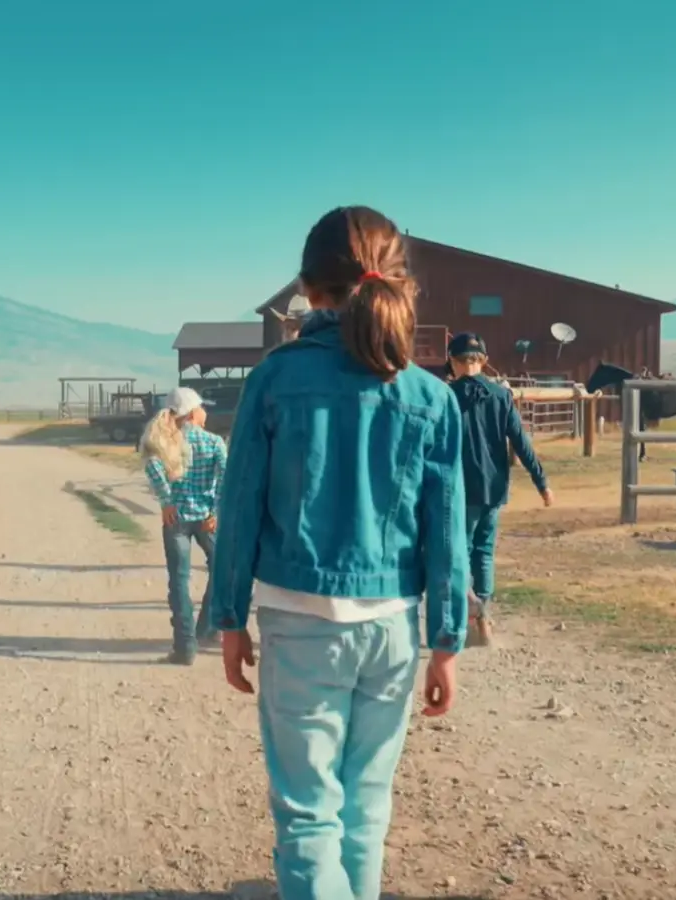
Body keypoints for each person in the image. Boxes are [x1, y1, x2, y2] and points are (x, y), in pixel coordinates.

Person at [209, 205, 469, 900]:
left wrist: (229, 617)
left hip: (299, 622)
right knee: (366, 812)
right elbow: (447, 530)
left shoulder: (275, 378)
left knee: (306, 816)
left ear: (306, 287)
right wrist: (447, 640)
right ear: (397, 285)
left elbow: (238, 511)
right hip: (391, 628)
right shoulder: (430, 396)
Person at [445, 332, 553, 647]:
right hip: (494, 487)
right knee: (485, 553)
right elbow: (521, 442)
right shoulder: (501, 396)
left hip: (460, 488)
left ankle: (466, 616)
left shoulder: (448, 396)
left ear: (453, 361)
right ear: (484, 361)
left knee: (460, 554)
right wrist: (542, 482)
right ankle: (485, 616)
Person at [140, 385, 227, 664]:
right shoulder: (214, 442)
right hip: (206, 519)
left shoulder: (166, 440)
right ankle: (207, 627)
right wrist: (216, 510)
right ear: (191, 413)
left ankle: (185, 647)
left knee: (179, 581)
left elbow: (152, 466)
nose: (205, 412)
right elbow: (226, 480)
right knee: (222, 568)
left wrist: (166, 500)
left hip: (175, 518)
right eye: (202, 407)